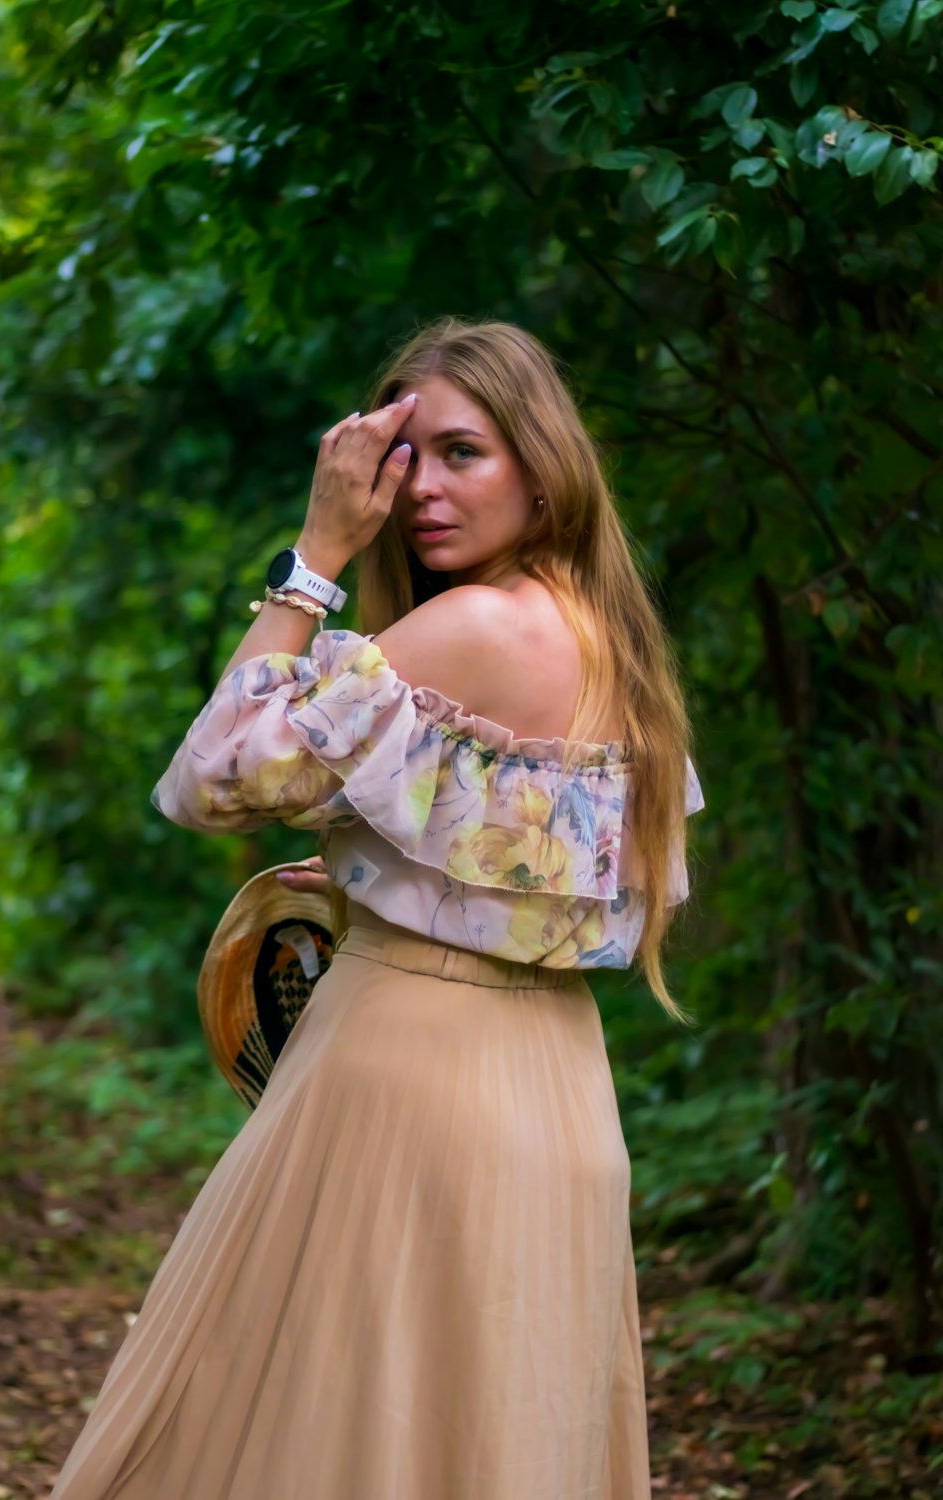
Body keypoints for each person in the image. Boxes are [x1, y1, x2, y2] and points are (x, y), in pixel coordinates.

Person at [47, 317, 704, 1500]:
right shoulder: (614, 648)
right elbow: (525, 882)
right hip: (558, 1094)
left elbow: (211, 780)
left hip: (405, 1081)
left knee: (291, 1428)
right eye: (403, 461)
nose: (419, 493)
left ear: (543, 469)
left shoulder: (471, 625)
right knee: (483, 1445)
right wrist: (369, 885)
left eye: (463, 453)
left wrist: (313, 554)